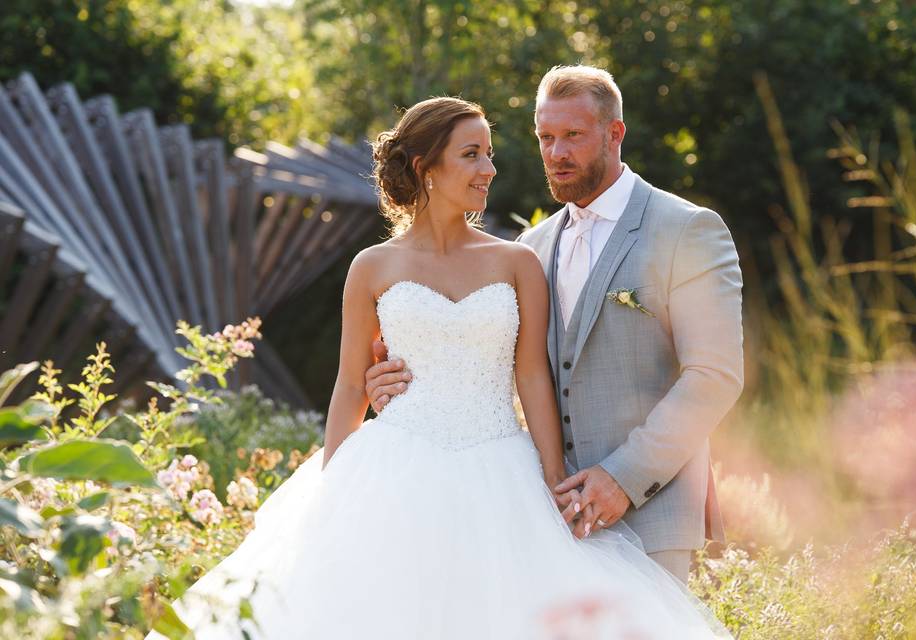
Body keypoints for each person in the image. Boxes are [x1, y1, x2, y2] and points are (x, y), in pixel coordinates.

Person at [147, 95, 731, 639]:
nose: (489, 169)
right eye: (472, 154)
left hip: (502, 467)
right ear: (427, 167)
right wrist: (330, 492)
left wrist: (553, 480)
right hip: (395, 464)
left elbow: (531, 377)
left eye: (490, 154)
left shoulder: (518, 259)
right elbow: (352, 381)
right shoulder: (371, 267)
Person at [364, 65, 744, 583]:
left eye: (573, 136)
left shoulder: (686, 230)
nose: (556, 153)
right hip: (545, 514)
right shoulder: (530, 250)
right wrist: (392, 380)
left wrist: (622, 479)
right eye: (546, 137)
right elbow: (501, 366)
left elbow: (714, 376)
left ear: (615, 134)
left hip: (652, 515)